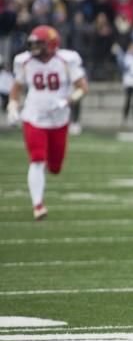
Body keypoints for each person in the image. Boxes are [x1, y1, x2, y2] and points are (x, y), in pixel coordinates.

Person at [6, 25, 89, 220]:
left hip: (59, 119)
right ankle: (38, 205)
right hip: (34, 116)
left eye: (39, 44)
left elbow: (83, 88)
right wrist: (12, 107)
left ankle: (40, 197)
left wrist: (68, 100)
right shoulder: (24, 61)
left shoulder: (66, 60)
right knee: (37, 159)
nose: (35, 48)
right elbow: (16, 88)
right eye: (33, 44)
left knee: (55, 167)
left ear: (51, 44)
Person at [113, 40, 133, 125]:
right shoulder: (126, 56)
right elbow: (123, 66)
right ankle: (125, 117)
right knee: (128, 100)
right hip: (129, 81)